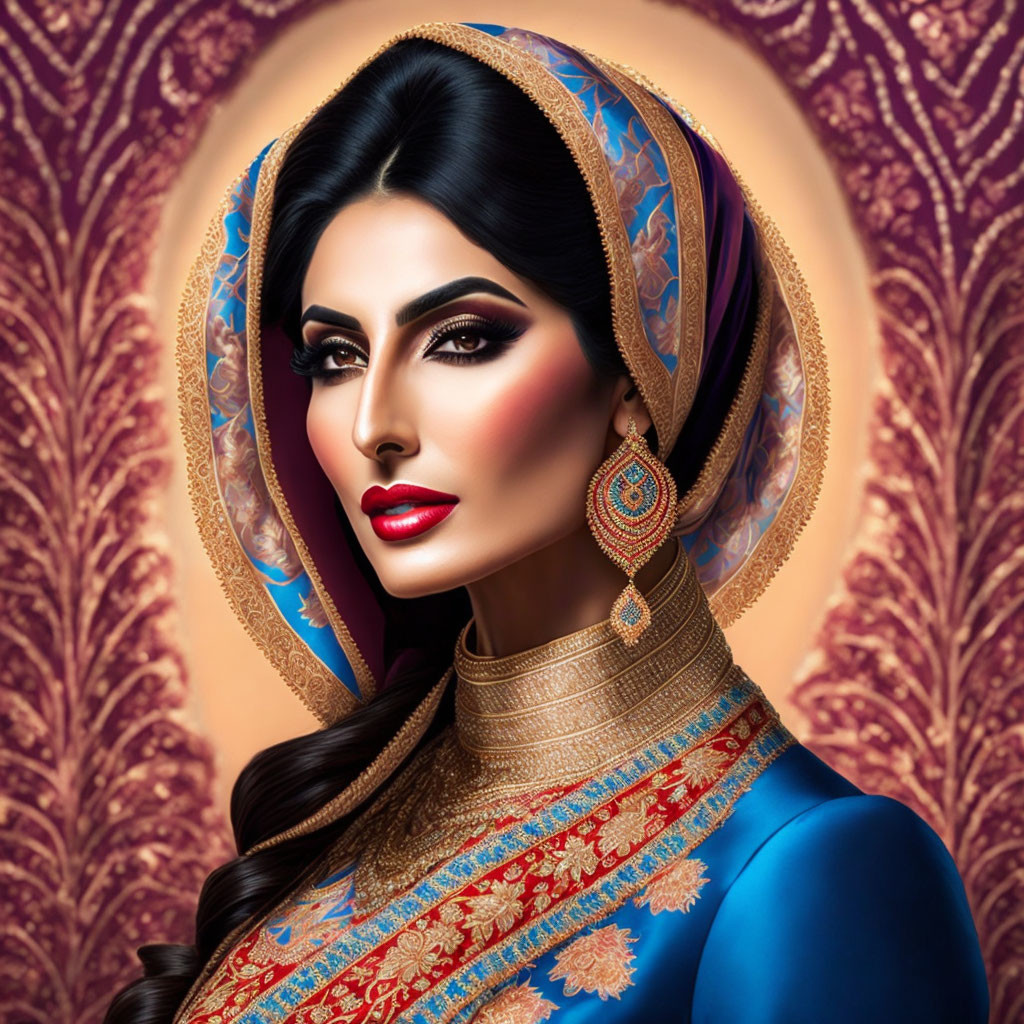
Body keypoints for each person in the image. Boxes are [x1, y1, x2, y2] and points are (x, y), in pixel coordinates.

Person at [105, 21, 989, 1024]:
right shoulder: (355, 817)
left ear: (635, 371)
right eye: (335, 355)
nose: (372, 427)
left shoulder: (815, 867)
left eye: (463, 339)